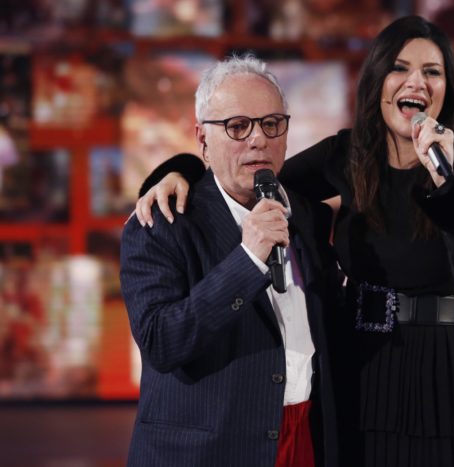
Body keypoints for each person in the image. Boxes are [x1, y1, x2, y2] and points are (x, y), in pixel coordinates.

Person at [135, 16, 454, 467]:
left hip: (447, 374)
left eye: (432, 71)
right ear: (378, 81)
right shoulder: (347, 156)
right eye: (400, 67)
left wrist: (447, 181)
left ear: (447, 88)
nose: (417, 82)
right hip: (365, 372)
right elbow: (255, 175)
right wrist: (179, 170)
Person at [119, 54, 340, 467]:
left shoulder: (305, 215)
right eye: (238, 126)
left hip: (303, 440)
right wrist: (248, 260)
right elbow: (161, 341)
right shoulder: (161, 221)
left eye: (271, 124)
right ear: (202, 138)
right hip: (207, 453)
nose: (258, 139)